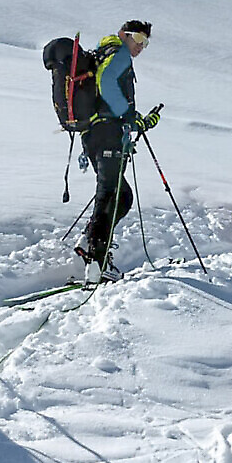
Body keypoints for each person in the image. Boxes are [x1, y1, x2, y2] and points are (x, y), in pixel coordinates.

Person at [76, 20, 158, 282]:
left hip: (95, 135)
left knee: (119, 195)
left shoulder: (103, 54)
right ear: (124, 35)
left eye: (146, 43)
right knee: (112, 195)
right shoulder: (119, 53)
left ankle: (90, 241)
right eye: (139, 40)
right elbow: (107, 82)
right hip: (107, 133)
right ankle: (97, 261)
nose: (141, 47)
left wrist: (136, 120)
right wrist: (128, 115)